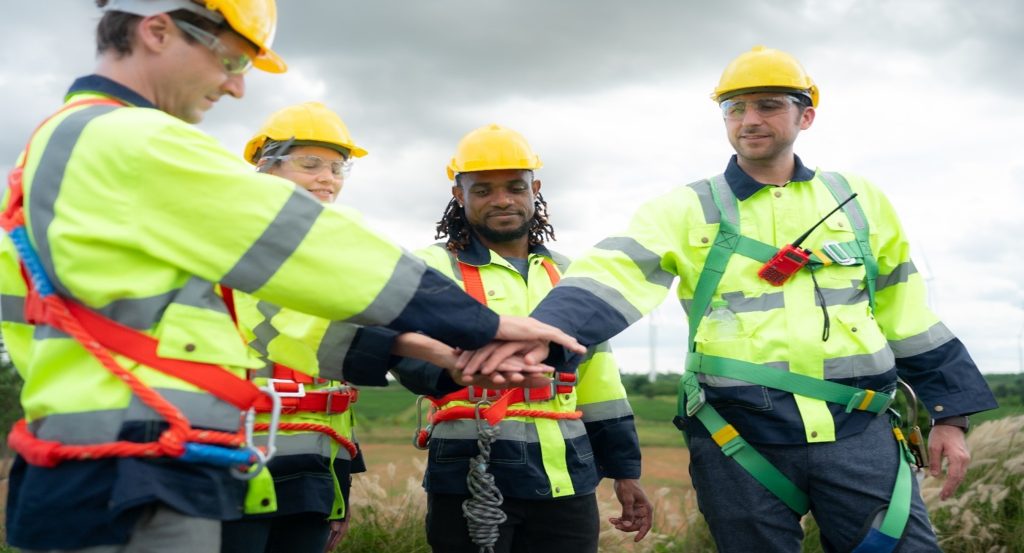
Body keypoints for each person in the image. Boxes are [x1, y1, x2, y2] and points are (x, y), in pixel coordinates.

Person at [0, 2, 583, 551]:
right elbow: (311, 249)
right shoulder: (133, 140)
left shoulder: (61, 147)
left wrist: (432, 351)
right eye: (231, 60)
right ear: (157, 32)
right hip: (133, 465)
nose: (236, 85)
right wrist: (481, 324)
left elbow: (270, 323)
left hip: (112, 456)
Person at [464, 46, 998, 552]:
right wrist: (531, 342)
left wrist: (952, 415)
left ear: (805, 117)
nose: (750, 120)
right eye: (735, 108)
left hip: (859, 430)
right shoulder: (684, 208)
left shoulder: (857, 201)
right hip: (738, 437)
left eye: (768, 106)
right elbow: (612, 277)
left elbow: (908, 311)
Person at [348, 124, 652, 553]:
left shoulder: (572, 273)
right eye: (483, 190)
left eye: (515, 187)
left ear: (535, 188)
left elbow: (600, 377)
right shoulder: (429, 266)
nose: (503, 200)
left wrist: (625, 471)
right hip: (469, 474)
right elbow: (400, 350)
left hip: (566, 476)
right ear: (459, 194)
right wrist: (460, 371)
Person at [218, 102, 370, 553]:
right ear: (266, 166)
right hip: (230, 462)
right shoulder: (222, 240)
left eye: (337, 168)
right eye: (310, 164)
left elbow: (336, 389)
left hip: (312, 473)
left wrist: (340, 491)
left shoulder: (339, 256)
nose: (328, 179)